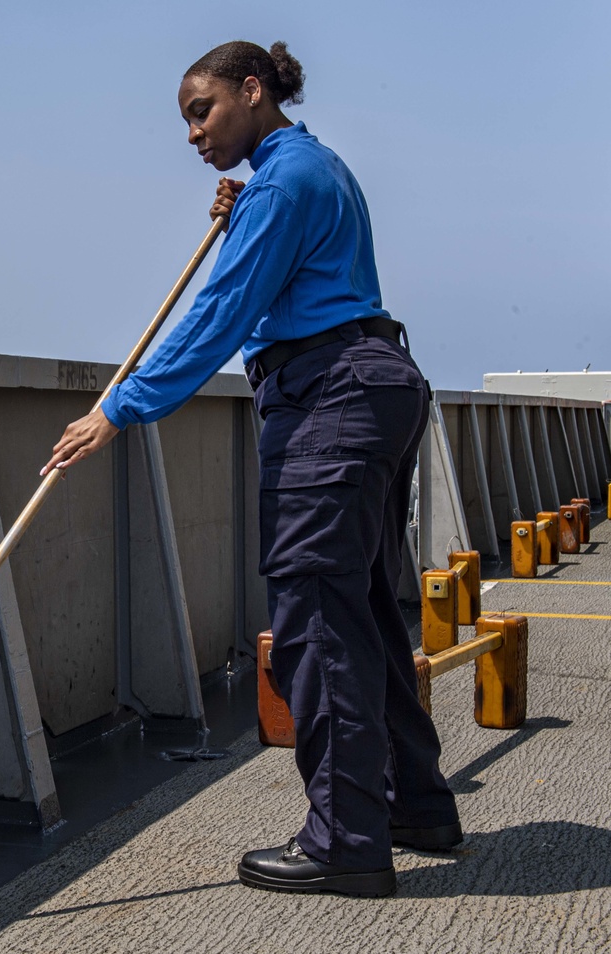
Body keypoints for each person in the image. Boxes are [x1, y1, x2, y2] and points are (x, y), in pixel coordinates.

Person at [40, 39, 460, 897]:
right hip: (374, 384)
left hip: (329, 402)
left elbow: (225, 310)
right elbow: (294, 268)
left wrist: (120, 407)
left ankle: (347, 840)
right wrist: (249, 210)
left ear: (252, 90)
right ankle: (412, 806)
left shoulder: (281, 182)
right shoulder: (311, 167)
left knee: (317, 620)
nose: (193, 134)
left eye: (204, 110)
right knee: (367, 610)